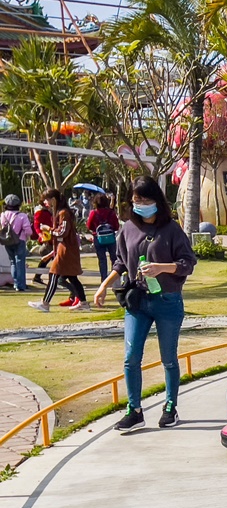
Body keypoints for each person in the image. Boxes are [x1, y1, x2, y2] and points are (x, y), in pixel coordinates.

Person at [93, 176, 197, 432]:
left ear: (157, 201)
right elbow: (120, 261)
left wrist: (161, 268)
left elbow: (188, 263)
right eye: (136, 200)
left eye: (145, 200)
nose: (140, 205)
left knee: (168, 358)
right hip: (137, 301)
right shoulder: (128, 228)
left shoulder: (171, 230)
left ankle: (170, 406)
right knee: (130, 358)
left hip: (167, 301)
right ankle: (134, 410)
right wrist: (105, 285)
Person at [29, 206, 87, 312]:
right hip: (64, 253)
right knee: (71, 278)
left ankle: (45, 303)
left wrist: (48, 229)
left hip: (65, 254)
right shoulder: (63, 216)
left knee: (55, 275)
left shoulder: (63, 215)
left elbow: (61, 234)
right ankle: (82, 301)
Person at [86, 194, 121, 281]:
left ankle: (104, 278)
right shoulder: (111, 213)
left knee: (102, 259)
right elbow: (116, 226)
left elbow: (89, 226)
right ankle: (115, 278)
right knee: (114, 258)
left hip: (98, 238)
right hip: (111, 238)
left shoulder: (93, 213)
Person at [1, 194, 32, 292]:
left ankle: (15, 283)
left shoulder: (3, 215)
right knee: (20, 262)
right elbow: (28, 231)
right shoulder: (22, 216)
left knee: (12, 262)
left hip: (7, 241)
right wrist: (27, 236)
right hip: (20, 240)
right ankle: (21, 285)